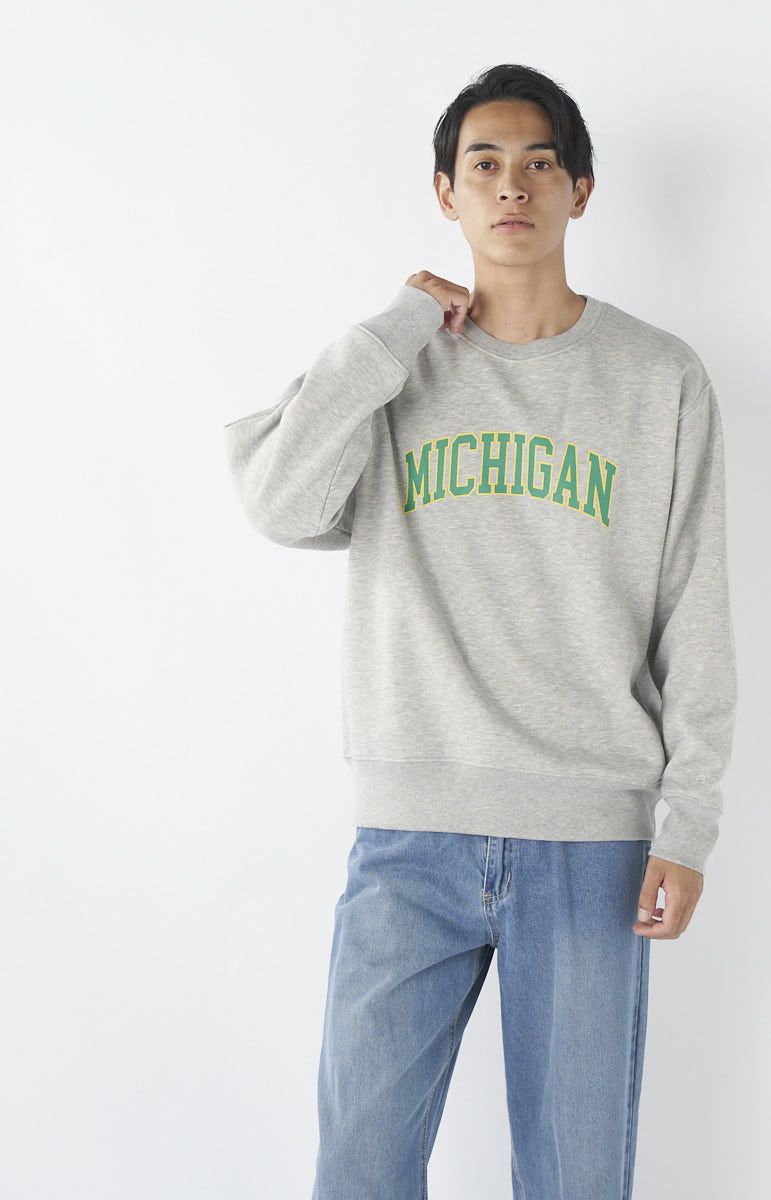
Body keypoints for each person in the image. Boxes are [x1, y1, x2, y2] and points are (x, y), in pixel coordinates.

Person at [223, 62, 737, 1200]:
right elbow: (276, 501)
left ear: (581, 191)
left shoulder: (658, 379)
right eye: (486, 165)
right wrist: (392, 328)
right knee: (360, 1170)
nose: (513, 187)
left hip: (591, 844)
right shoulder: (393, 370)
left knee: (574, 1179)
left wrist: (688, 823)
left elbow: (694, 609)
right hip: (409, 838)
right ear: (445, 193)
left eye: (540, 164)